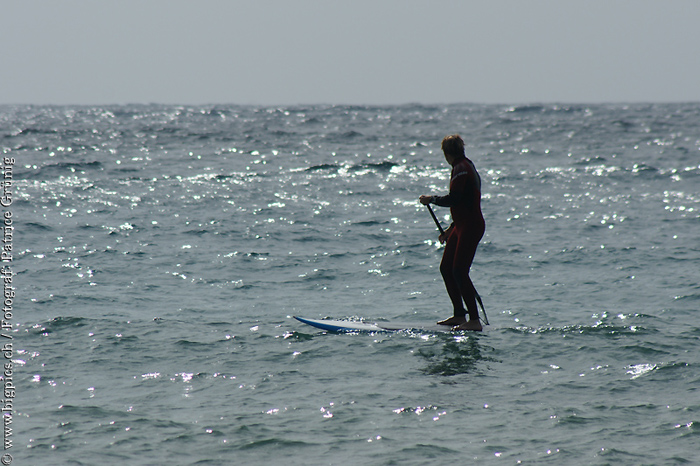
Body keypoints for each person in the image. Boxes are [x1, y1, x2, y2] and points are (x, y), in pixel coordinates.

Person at [419, 134, 485, 331]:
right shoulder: (464, 166)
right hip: (461, 225)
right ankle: (459, 315)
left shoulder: (461, 169)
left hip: (471, 226)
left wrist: (431, 199)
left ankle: (474, 320)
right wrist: (450, 229)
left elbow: (454, 199)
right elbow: (463, 203)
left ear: (446, 153)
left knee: (459, 271)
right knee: (447, 268)